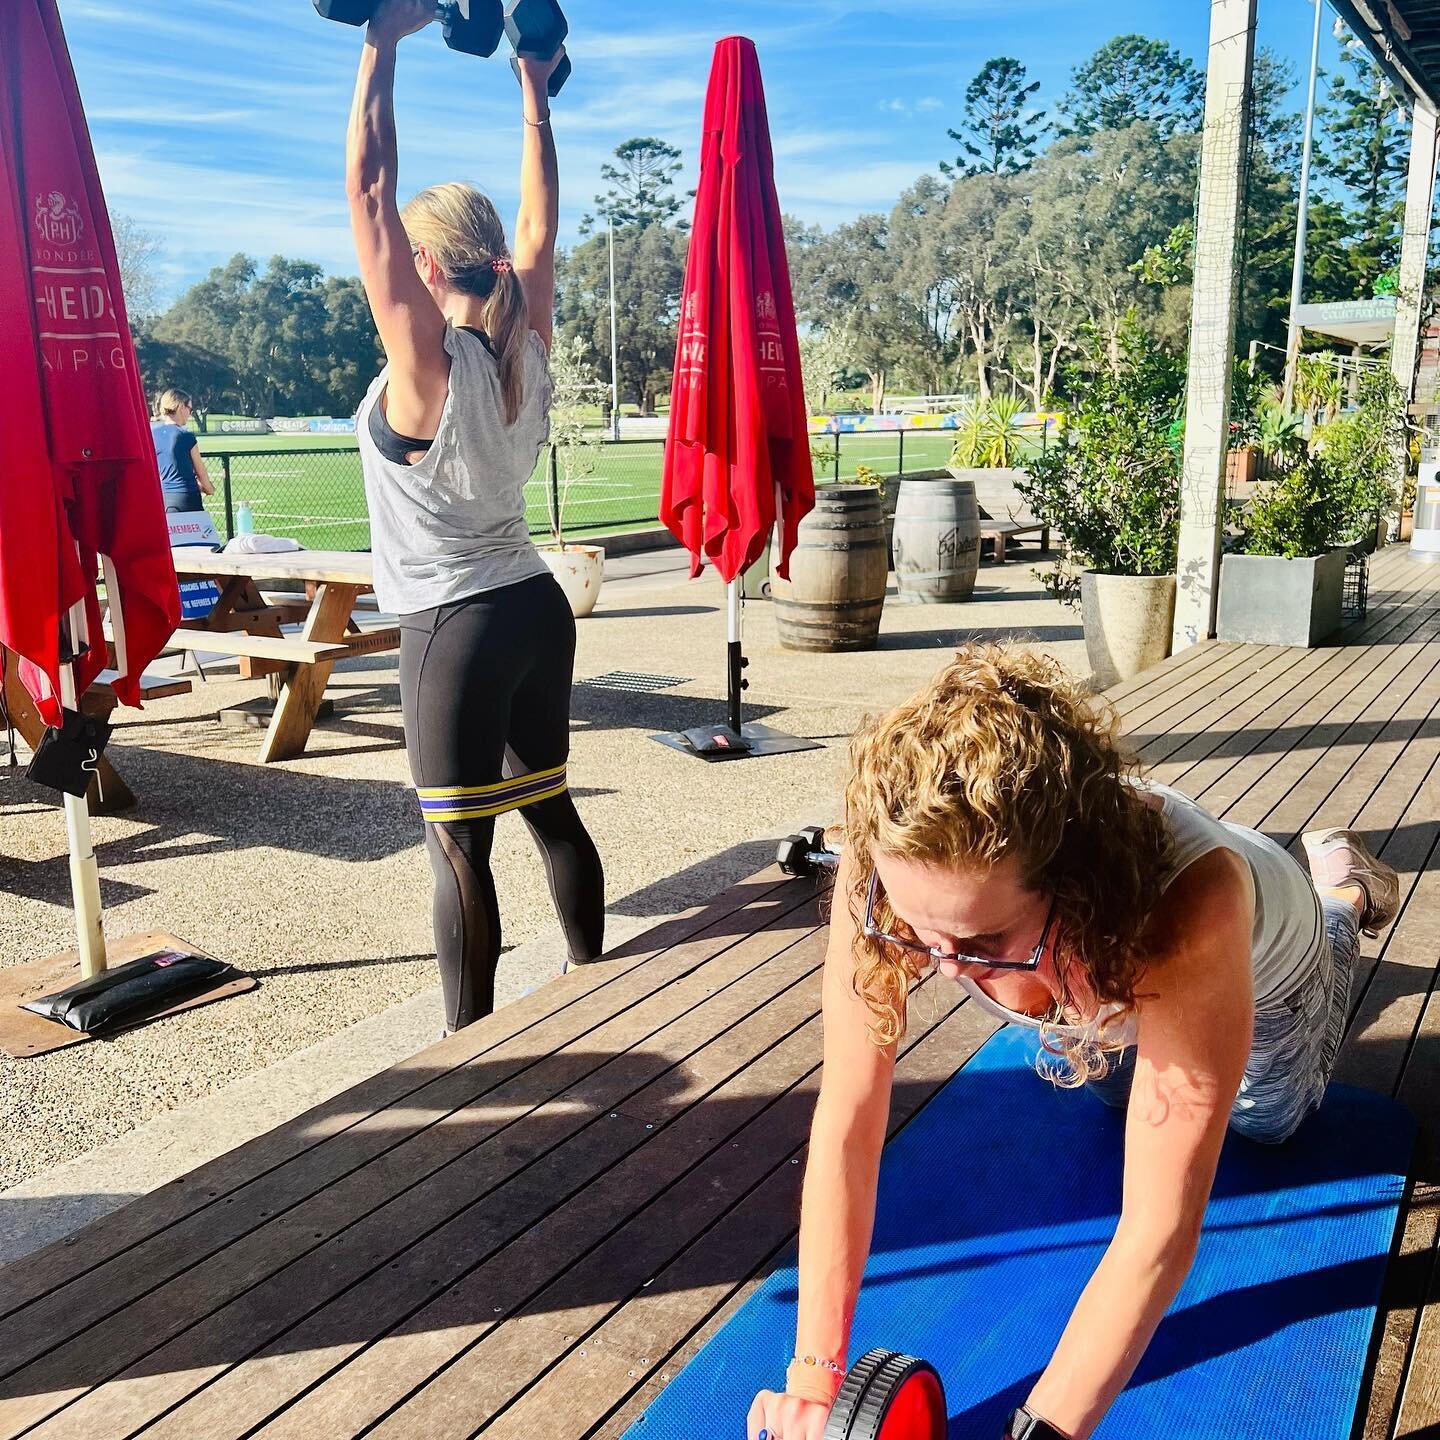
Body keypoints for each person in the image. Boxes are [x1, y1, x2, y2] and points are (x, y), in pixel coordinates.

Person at [748, 644, 1400, 1440]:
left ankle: (1344, 887)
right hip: (1100, 975)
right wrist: (815, 1380)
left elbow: (1160, 1230)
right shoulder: (889, 873)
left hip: (1277, 954)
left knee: (1270, 1125)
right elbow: (849, 1121)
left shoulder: (1190, 912)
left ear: (1076, 894)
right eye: (923, 934)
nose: (945, 971)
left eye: (981, 938)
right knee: (1104, 1086)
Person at [347, 0, 603, 1033]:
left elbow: (369, 188)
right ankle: (600, 983)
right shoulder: (523, 336)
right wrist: (532, 86)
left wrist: (382, 39)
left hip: (456, 626)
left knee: (459, 850)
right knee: (550, 815)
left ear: (423, 265)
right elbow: (540, 226)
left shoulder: (427, 365)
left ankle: (471, 1063)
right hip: (535, 608)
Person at [150, 389, 215, 514]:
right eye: (190, 409)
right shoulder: (185, 436)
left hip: (165, 498)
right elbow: (200, 471)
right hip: (187, 497)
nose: (190, 413)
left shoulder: (153, 434)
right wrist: (209, 488)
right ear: (181, 407)